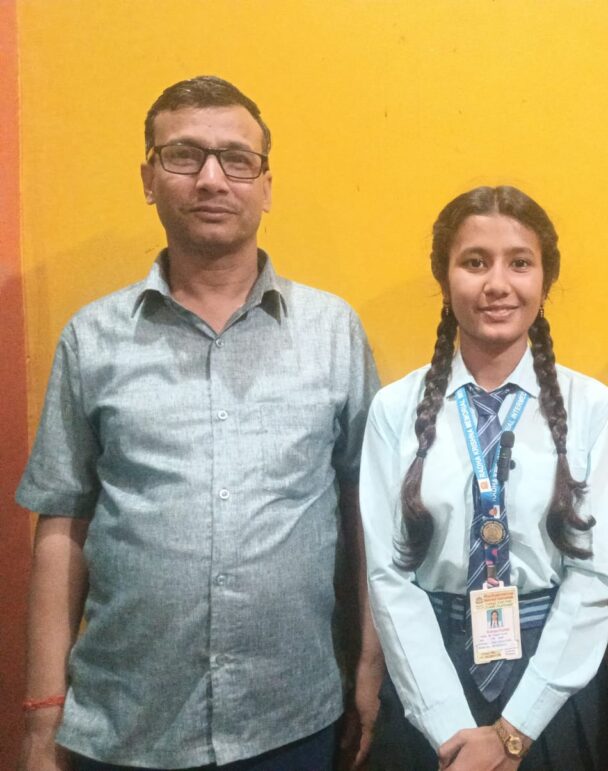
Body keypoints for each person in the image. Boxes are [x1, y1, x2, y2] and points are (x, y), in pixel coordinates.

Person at [16, 76, 381, 770]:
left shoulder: (333, 332)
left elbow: (369, 509)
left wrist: (369, 663)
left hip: (291, 719)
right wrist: (41, 717)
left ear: (266, 186)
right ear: (148, 178)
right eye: (184, 155)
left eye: (237, 159)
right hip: (124, 724)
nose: (212, 179)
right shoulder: (93, 339)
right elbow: (63, 523)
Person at [359, 186, 608, 770]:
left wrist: (513, 733)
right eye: (475, 262)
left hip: (551, 688)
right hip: (430, 686)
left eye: (520, 263)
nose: (498, 284)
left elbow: (595, 577)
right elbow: (388, 576)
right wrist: (452, 729)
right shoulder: (394, 409)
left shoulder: (590, 407)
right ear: (444, 277)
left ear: (546, 280)